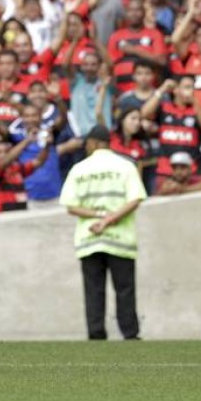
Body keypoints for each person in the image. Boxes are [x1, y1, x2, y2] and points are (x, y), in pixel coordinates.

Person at [59, 125, 146, 341]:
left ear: (94, 143)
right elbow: (135, 199)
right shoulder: (125, 166)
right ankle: (130, 333)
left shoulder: (79, 169)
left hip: (90, 238)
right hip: (121, 239)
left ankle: (96, 334)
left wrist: (97, 216)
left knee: (94, 290)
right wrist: (109, 219)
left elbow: (70, 206)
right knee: (124, 289)